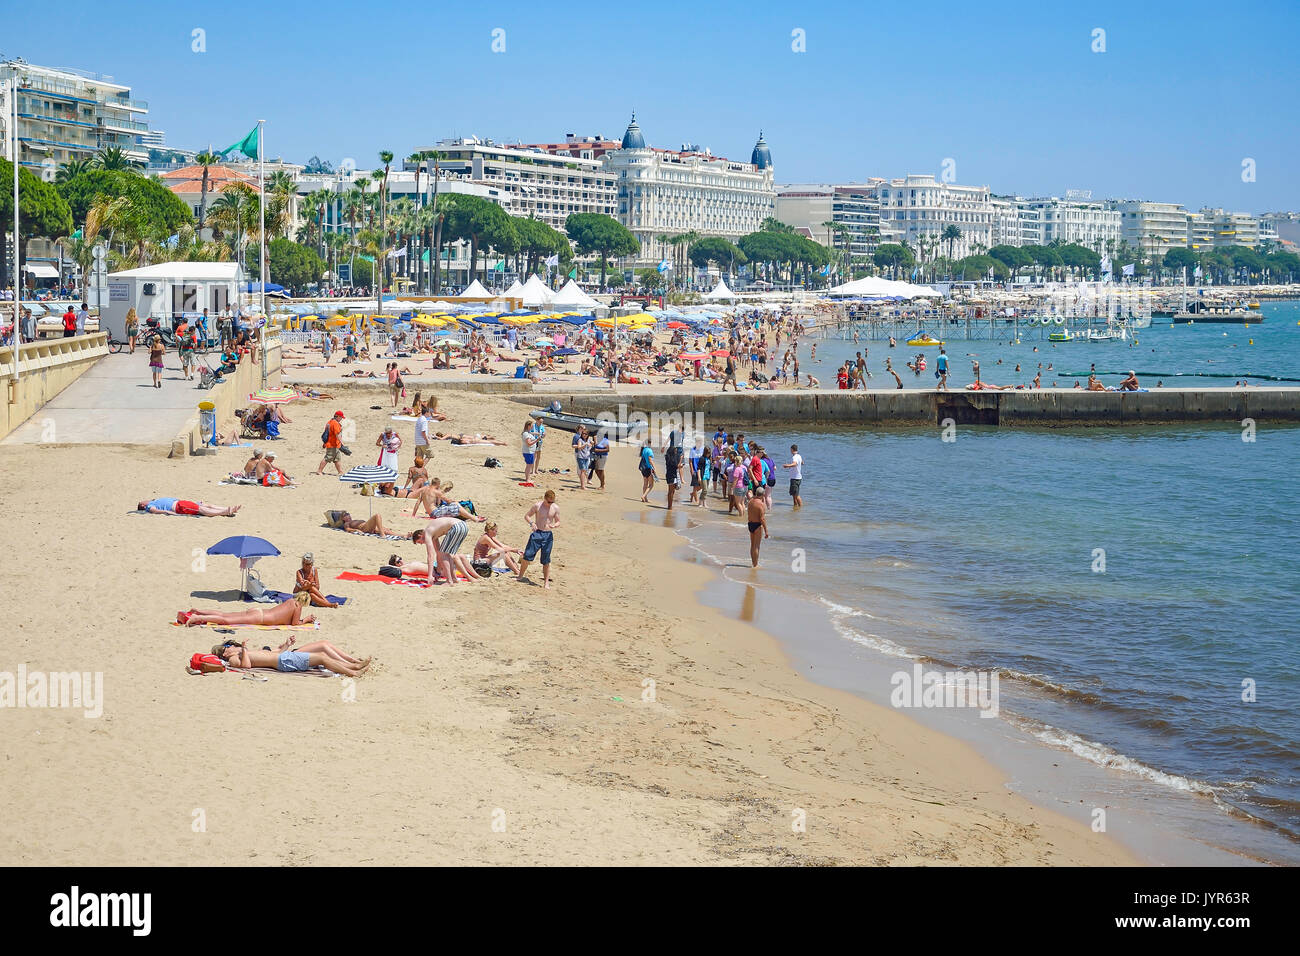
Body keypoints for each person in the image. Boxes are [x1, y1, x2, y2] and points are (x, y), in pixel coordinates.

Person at [213, 634, 369, 677]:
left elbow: (272, 654)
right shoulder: (233, 659)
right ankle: (353, 671)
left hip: (283, 658)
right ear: (225, 652)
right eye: (229, 646)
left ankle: (353, 666)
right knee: (321, 656)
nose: (233, 646)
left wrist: (287, 644)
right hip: (283, 662)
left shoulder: (240, 653)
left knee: (322, 655)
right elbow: (246, 666)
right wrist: (245, 650)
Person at [177, 593, 316, 627]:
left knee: (225, 615)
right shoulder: (297, 606)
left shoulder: (290, 601)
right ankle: (197, 618)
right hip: (259, 618)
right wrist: (307, 620)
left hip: (258, 611)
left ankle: (199, 611)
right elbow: (295, 624)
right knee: (226, 620)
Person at [516, 489, 559, 589]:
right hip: (537, 533)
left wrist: (554, 525)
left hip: (548, 535)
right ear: (544, 498)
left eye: (552, 502)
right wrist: (532, 523)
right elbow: (527, 516)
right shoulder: (538, 506)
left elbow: (558, 521)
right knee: (527, 556)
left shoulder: (555, 508)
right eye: (548, 502)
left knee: (546, 560)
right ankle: (520, 576)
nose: (550, 504)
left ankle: (546, 582)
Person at [137, 497, 241, 517]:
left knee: (206, 505)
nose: (145, 499)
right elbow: (156, 511)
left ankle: (228, 509)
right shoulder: (150, 506)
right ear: (142, 505)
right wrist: (170, 513)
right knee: (201, 510)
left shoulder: (154, 501)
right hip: (179, 507)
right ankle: (224, 512)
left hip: (181, 502)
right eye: (142, 501)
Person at [317, 410, 346, 475]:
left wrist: (324, 443)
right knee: (327, 458)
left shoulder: (329, 422)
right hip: (332, 444)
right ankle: (319, 471)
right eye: (341, 417)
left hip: (333, 444)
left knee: (337, 459)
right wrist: (342, 443)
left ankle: (340, 471)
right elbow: (337, 434)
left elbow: (326, 433)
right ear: (338, 416)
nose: (341, 419)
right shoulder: (335, 423)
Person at [746, 488, 769, 567]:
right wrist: (766, 531)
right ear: (763, 495)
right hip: (757, 525)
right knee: (756, 546)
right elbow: (762, 519)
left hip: (750, 524)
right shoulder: (761, 504)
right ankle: (755, 565)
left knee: (752, 545)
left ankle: (753, 563)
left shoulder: (750, 502)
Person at [664, 428, 683, 509]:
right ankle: (669, 506)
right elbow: (677, 466)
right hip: (671, 476)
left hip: (670, 475)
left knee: (672, 491)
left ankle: (670, 506)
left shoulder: (669, 458)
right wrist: (680, 461)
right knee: (671, 492)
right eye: (675, 451)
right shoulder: (671, 460)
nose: (676, 452)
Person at [783, 444, 803, 509]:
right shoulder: (799, 456)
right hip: (797, 478)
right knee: (794, 494)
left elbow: (795, 464)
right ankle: (795, 507)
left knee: (796, 495)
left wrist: (787, 466)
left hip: (795, 478)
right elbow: (802, 462)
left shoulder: (794, 457)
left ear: (792, 449)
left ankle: (800, 508)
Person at [572, 425, 592, 490]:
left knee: (585, 470)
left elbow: (590, 446)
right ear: (579, 429)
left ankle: (585, 482)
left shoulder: (588, 439)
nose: (584, 434)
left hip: (586, 456)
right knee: (582, 470)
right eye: (583, 430)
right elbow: (577, 446)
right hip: (579, 455)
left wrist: (591, 444)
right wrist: (584, 445)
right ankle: (583, 485)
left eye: (585, 433)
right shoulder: (577, 437)